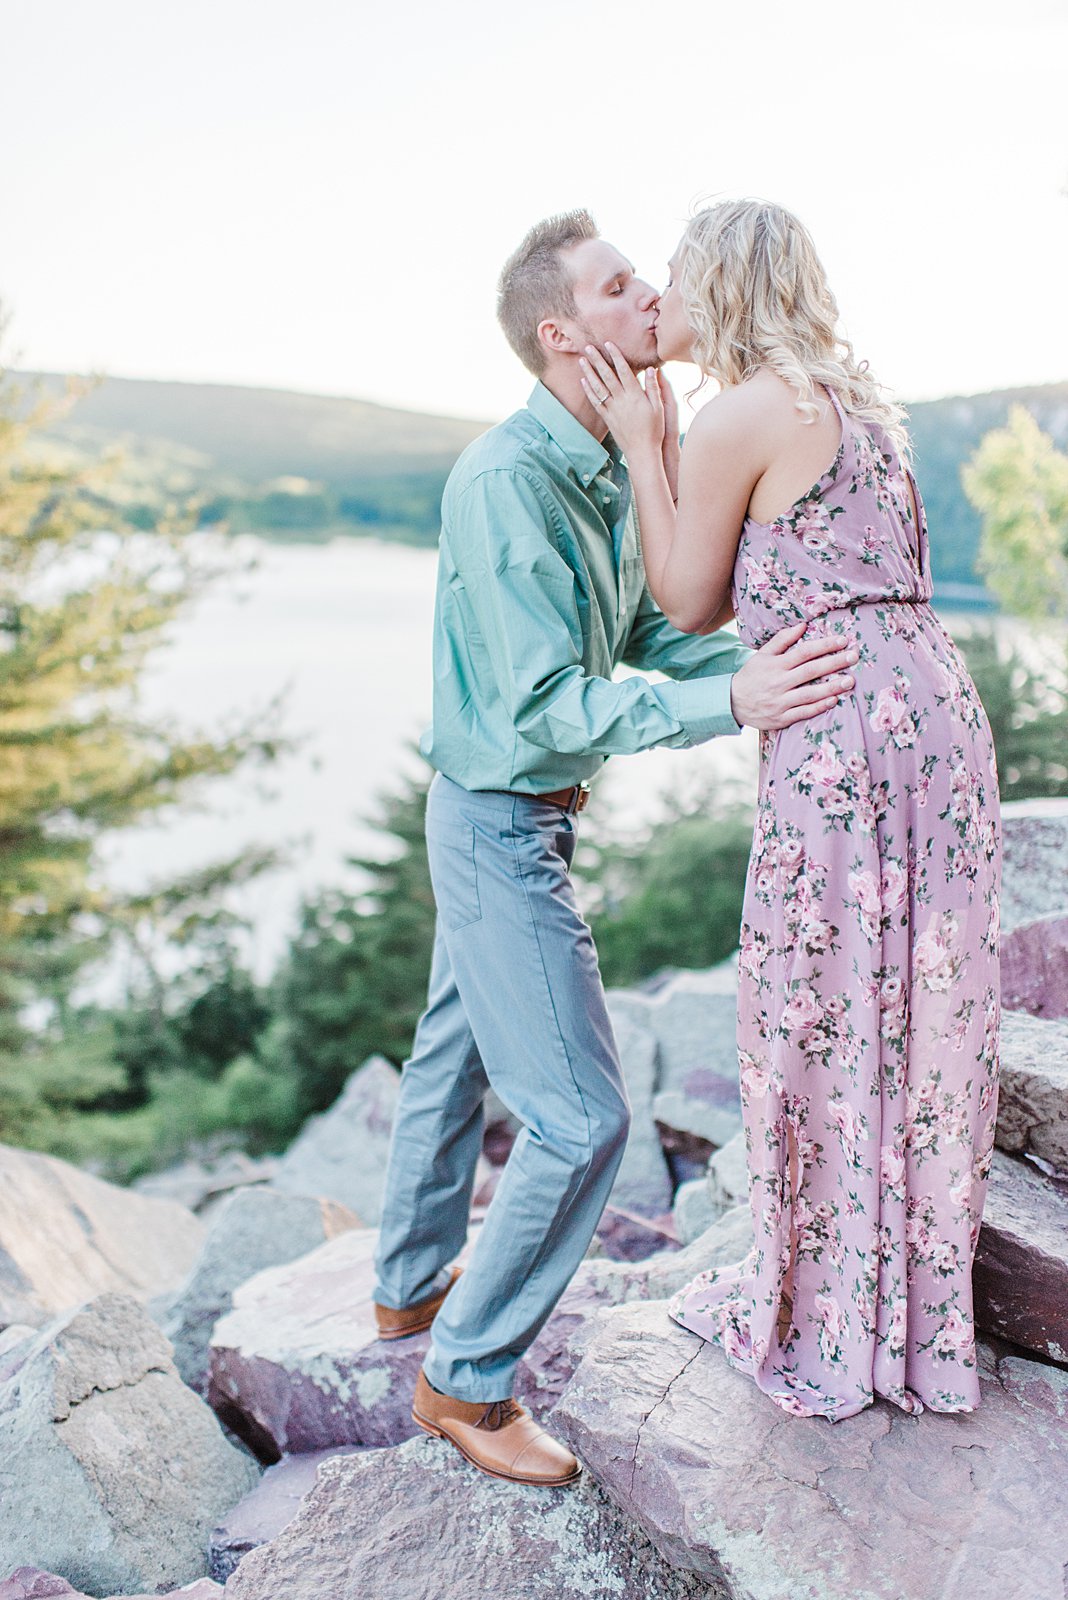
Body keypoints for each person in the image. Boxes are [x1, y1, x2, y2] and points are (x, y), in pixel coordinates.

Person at [370, 209, 861, 1483]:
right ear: (559, 333)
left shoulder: (599, 463)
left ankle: (405, 1292)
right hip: (498, 821)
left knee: (450, 1049)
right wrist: (730, 705)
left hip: (514, 815)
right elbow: (545, 704)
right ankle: (465, 1386)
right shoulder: (505, 480)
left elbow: (653, 630)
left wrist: (762, 666)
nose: (653, 300)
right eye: (620, 286)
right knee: (583, 1114)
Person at [581, 198, 1000, 1421]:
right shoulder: (857, 403)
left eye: (677, 274)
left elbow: (687, 594)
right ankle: (916, 1328)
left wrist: (642, 441)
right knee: (923, 1012)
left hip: (843, 736)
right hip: (933, 711)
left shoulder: (738, 415)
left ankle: (829, 1316)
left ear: (722, 284)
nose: (667, 293)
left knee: (818, 1003)